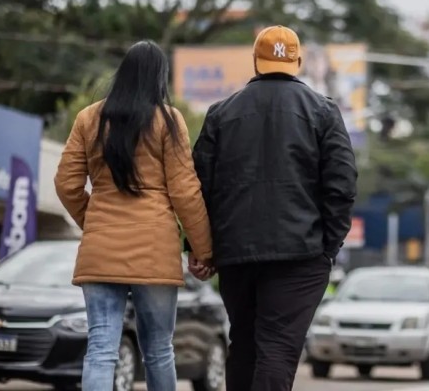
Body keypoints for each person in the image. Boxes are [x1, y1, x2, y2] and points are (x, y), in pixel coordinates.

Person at [188, 25, 357, 391]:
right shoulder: (324, 113)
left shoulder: (221, 113)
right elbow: (342, 187)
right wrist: (328, 247)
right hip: (300, 254)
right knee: (278, 348)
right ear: (297, 61)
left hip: (236, 255)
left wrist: (201, 247)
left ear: (255, 60)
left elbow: (198, 186)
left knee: (245, 345)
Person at [54, 40, 213, 390]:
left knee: (100, 349)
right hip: (155, 251)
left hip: (101, 250)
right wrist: (202, 250)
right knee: (158, 350)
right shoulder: (168, 121)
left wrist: (94, 222)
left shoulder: (88, 118)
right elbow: (185, 192)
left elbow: (66, 184)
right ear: (159, 77)